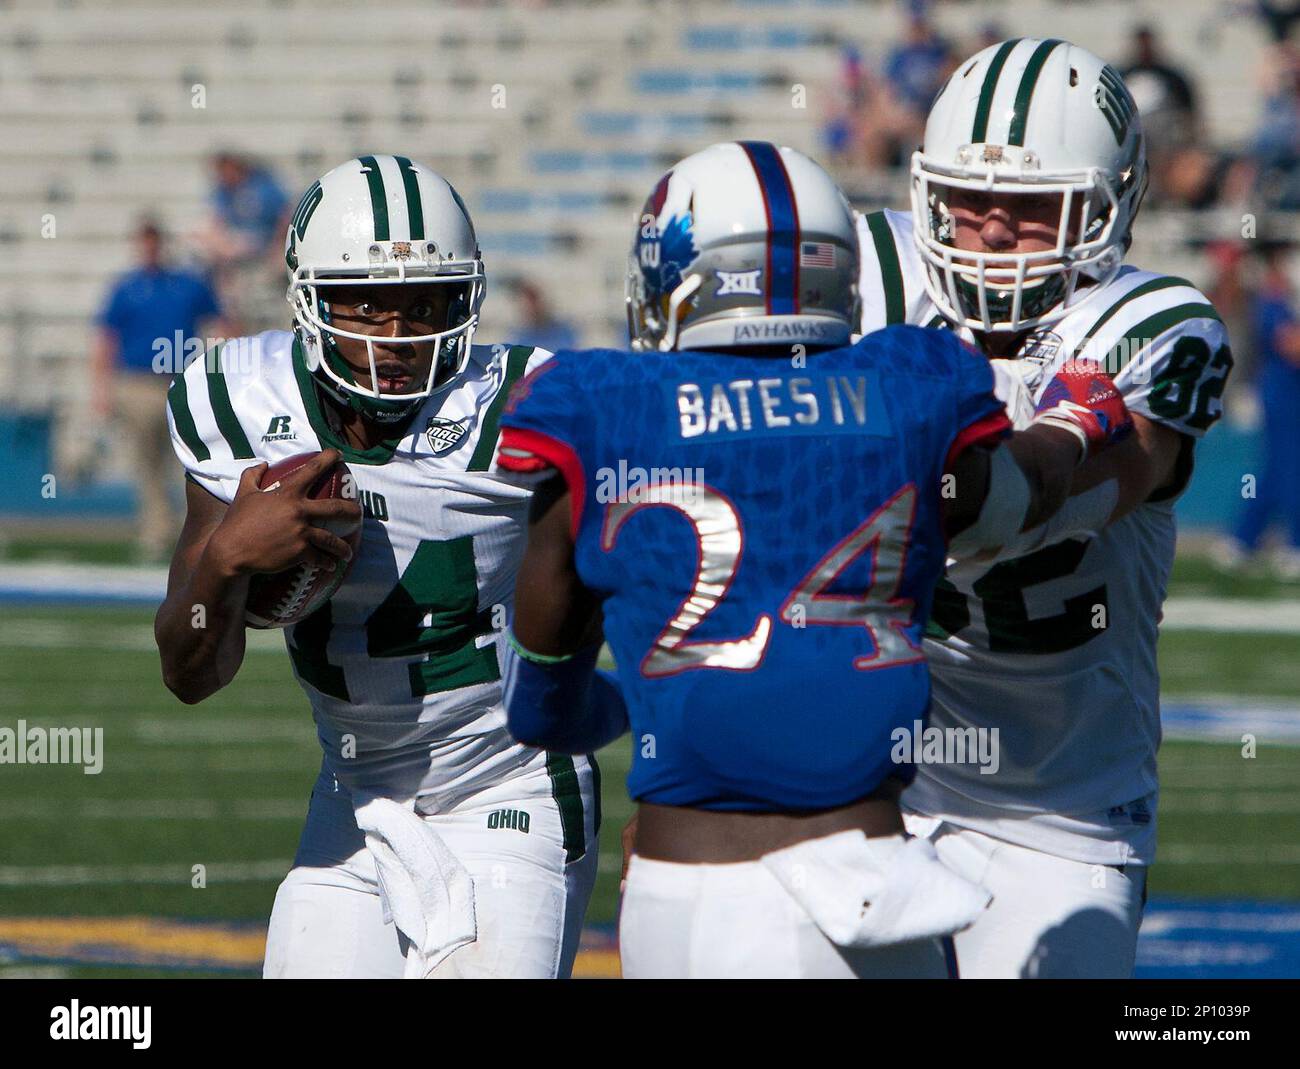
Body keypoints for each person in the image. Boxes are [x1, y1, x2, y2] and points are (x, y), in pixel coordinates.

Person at [494, 141, 1133, 979]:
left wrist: (630, 709)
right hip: (863, 885)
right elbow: (1020, 495)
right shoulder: (911, 381)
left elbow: (540, 708)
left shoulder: (597, 405)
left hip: (674, 895)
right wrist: (1075, 422)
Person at [154, 155, 598, 978]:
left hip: (510, 790)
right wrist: (225, 560)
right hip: (353, 801)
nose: (395, 338)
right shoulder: (237, 401)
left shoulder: (530, 407)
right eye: (366, 304)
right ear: (308, 299)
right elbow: (189, 671)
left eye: (423, 305)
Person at [855, 39, 1233, 977]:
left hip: (1063, 815)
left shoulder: (1149, 325)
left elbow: (1003, 515)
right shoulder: (873, 278)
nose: (985, 232)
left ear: (1108, 208)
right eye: (966, 202)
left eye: (1027, 212)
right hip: (871, 789)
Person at [92, 218, 226, 559]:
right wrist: (102, 388)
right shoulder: (126, 288)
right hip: (137, 383)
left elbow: (220, 321)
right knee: (147, 461)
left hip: (179, 380)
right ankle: (157, 530)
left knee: (191, 458)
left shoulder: (186, 284)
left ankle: (194, 527)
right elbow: (107, 339)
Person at [1220, 241, 1300, 575]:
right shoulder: (1272, 305)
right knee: (1289, 470)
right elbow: (1292, 348)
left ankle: (1242, 539)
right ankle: (1292, 544)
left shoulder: (1278, 304)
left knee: (1275, 472)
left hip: (1286, 396)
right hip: (1282, 397)